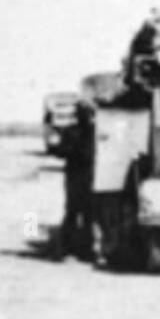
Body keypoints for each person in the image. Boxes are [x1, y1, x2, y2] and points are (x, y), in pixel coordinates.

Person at [57, 98, 96, 260]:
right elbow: (61, 151)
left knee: (79, 213)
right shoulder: (93, 131)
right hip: (83, 175)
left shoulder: (74, 131)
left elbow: (60, 151)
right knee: (80, 213)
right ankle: (75, 249)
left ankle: (71, 248)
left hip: (80, 175)